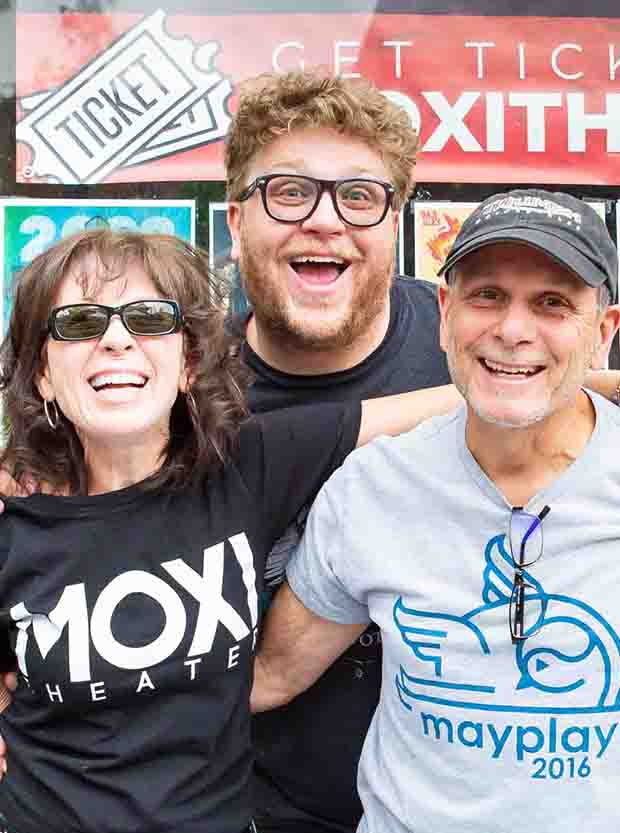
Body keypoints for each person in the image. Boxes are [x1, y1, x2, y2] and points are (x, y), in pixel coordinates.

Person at [0, 227, 464, 833]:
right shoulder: (14, 519)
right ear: (41, 375)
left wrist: (596, 387)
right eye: (81, 323)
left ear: (189, 362)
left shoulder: (249, 465)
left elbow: (470, 402)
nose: (116, 339)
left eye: (148, 318)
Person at [251, 189, 620, 833]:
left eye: (552, 303)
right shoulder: (371, 488)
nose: (512, 330)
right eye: (487, 296)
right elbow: (270, 676)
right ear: (445, 312)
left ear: (604, 332)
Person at [225, 68, 452, 833]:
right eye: (288, 191)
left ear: (396, 220)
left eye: (359, 195)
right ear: (235, 220)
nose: (325, 220)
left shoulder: (483, 354)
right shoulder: (169, 393)